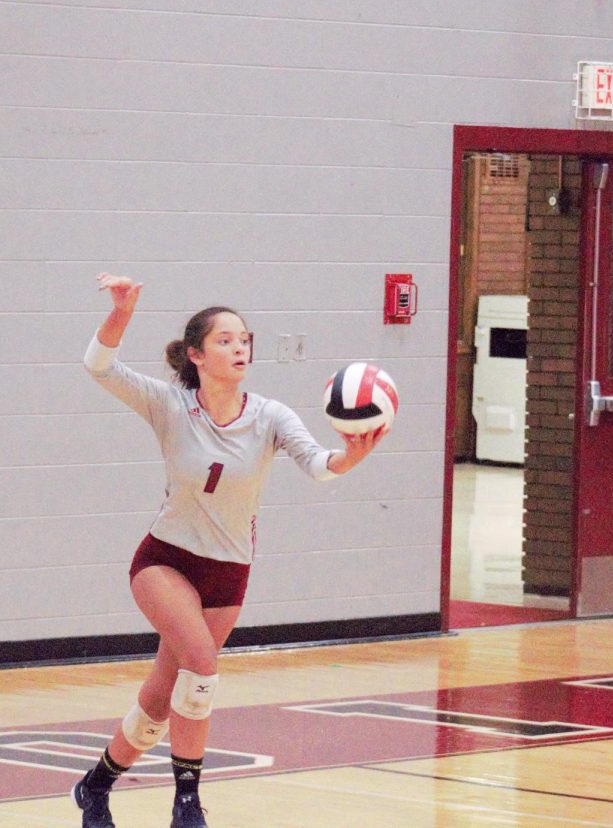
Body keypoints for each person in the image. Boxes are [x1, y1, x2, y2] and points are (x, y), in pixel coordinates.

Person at [71, 273, 385, 828]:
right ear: (196, 354)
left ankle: (95, 786)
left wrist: (348, 459)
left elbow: (317, 463)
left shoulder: (270, 415)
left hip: (228, 573)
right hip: (165, 560)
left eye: (244, 340)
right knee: (203, 664)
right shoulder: (169, 404)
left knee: (160, 700)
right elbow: (99, 366)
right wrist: (122, 312)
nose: (239, 348)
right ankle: (186, 803)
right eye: (224, 340)